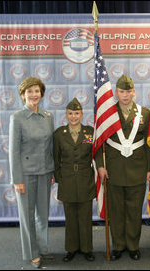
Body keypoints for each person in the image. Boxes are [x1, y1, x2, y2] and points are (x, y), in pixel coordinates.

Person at [96, 74, 150, 261]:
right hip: (114, 169)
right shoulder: (107, 113)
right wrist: (101, 166)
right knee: (117, 211)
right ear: (116, 93)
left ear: (134, 92)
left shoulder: (145, 113)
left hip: (138, 168)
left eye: (128, 91)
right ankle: (119, 246)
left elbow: (149, 144)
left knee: (134, 211)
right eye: (122, 91)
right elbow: (99, 142)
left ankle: (133, 246)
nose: (125, 95)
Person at [9, 77, 55, 268]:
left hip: (45, 172)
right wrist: (17, 179)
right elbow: (14, 151)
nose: (33, 95)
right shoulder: (17, 118)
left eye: (37, 91)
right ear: (22, 95)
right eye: (29, 92)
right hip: (26, 175)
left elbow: (51, 146)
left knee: (43, 214)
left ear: (41, 94)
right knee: (27, 216)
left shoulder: (48, 116)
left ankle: (43, 248)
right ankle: (32, 253)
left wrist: (53, 171)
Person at [53, 98, 96, 262]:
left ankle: (86, 249)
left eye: (76, 113)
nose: (73, 117)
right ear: (66, 115)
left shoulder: (90, 132)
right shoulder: (59, 134)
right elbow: (56, 159)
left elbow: (96, 154)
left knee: (85, 216)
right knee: (70, 216)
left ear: (81, 114)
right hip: (67, 178)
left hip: (85, 178)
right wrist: (59, 178)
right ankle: (71, 249)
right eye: (70, 113)